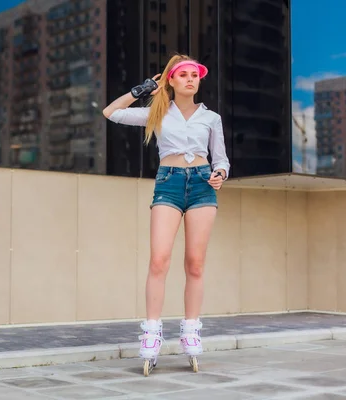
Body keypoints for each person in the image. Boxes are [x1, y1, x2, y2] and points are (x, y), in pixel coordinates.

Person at [102, 54, 230, 371]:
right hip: (169, 185)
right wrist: (143, 89)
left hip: (202, 185)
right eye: (183, 74)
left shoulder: (210, 118)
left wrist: (221, 174)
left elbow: (221, 159)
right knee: (159, 259)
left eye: (194, 75)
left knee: (195, 263)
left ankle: (190, 331)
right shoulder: (157, 114)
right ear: (170, 80)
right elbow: (111, 113)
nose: (190, 79)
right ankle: (152, 332)